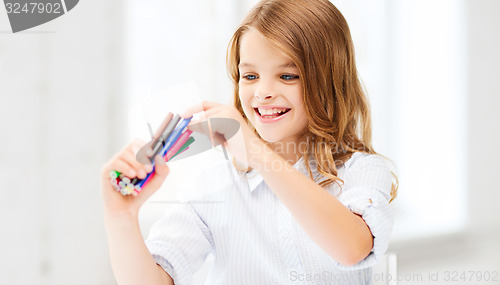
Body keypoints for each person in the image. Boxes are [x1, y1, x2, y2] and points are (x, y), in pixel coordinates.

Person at [101, 0, 399, 284]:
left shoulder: (363, 171)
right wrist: (121, 216)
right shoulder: (214, 182)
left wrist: (256, 152)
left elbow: (352, 249)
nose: (263, 92)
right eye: (251, 75)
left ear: (329, 81)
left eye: (287, 75)